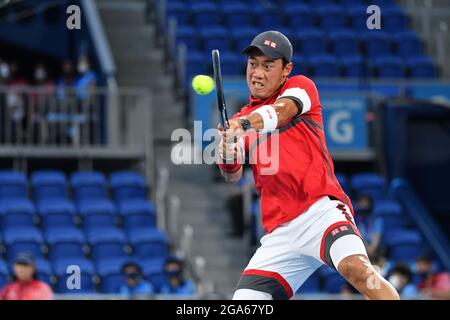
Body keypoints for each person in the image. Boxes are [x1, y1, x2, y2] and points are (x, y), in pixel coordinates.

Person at [216, 30, 399, 300]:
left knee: (358, 271)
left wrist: (241, 126)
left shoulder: (301, 88)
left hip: (320, 212)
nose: (257, 73)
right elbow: (232, 175)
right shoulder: (241, 118)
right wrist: (227, 152)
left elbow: (280, 113)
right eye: (253, 64)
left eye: (268, 66)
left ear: (286, 69)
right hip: (279, 231)